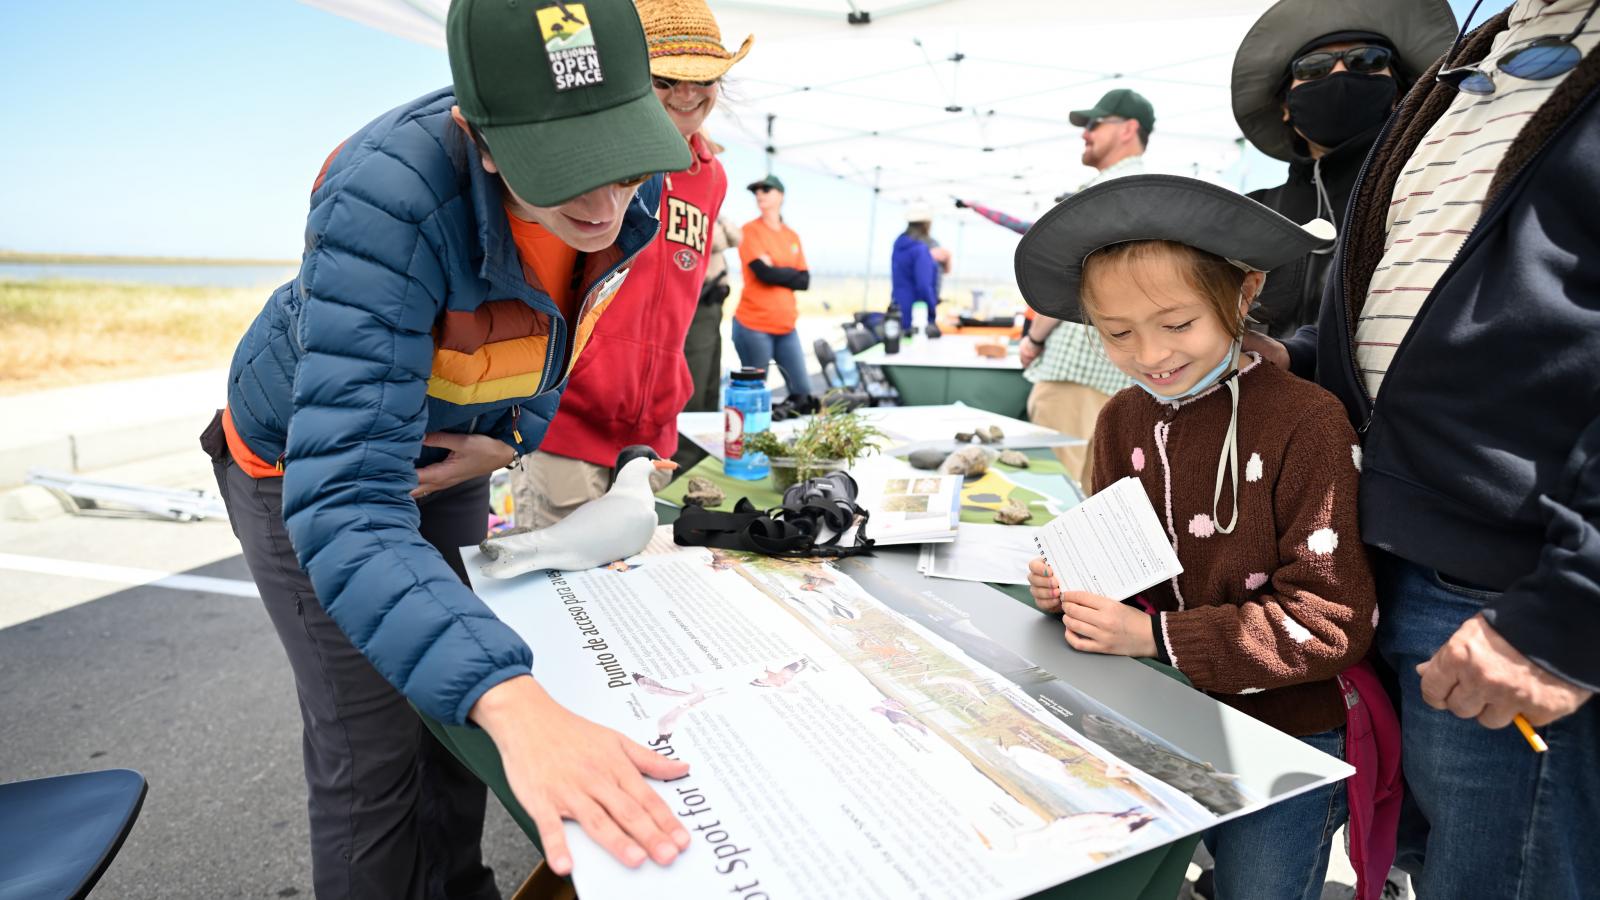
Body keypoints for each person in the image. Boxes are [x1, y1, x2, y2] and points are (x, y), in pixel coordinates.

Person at [200, 1, 703, 895]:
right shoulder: (384, 198)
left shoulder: (640, 174)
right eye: (566, 171)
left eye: (621, 159)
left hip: (451, 450)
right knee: (377, 746)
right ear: (481, 135)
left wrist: (508, 443)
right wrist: (517, 703)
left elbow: (557, 339)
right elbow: (348, 504)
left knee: (459, 733)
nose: (603, 203)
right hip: (304, 469)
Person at [1249, 2, 1600, 896]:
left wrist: (1570, 616)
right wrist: (1289, 361)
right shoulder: (1478, 57)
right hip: (1393, 556)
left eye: (1359, 62)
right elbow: (1422, 298)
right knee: (1426, 864)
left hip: (1512, 588)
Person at [1015, 175, 1375, 900]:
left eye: (1177, 324)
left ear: (1243, 294)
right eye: (1117, 333)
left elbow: (1329, 622)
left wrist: (1156, 639)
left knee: (1258, 889)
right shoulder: (1122, 418)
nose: (1150, 354)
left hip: (1288, 733)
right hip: (1164, 717)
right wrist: (1071, 585)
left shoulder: (1308, 421)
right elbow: (1121, 563)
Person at [510, 0, 751, 529]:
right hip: (566, 424)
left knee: (628, 583)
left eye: (704, 79)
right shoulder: (590, 153)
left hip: (651, 434)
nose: (687, 95)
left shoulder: (710, 176)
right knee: (561, 595)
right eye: (665, 80)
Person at [1231, 0, 1455, 337]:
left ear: (1398, 94)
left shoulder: (1437, 193)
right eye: (1313, 68)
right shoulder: (1248, 212)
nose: (1339, 74)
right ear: (1285, 107)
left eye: (1367, 60)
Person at [1017, 88, 1154, 488]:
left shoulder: (1100, 192)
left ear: (1129, 129)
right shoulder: (1151, 191)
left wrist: (1035, 339)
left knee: (1049, 491)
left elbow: (1065, 278)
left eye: (1095, 124)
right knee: (1091, 497)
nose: (1085, 134)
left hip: (1074, 371)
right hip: (1119, 373)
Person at [734, 173, 815, 405]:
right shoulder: (749, 231)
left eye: (766, 190)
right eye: (756, 191)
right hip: (753, 326)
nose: (760, 194)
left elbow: (804, 280)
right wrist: (789, 272)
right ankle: (750, 440)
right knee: (755, 396)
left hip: (786, 327)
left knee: (803, 394)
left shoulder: (792, 236)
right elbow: (764, 273)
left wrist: (777, 269)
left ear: (781, 195)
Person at [683, 211, 741, 413]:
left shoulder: (713, 216)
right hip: (699, 303)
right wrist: (716, 224)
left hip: (714, 304)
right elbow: (712, 241)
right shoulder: (697, 213)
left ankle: (705, 431)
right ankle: (688, 441)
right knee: (697, 372)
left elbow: (737, 237)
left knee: (712, 374)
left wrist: (718, 220)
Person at [890, 204, 940, 332]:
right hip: (917, 316)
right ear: (926, 225)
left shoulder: (899, 246)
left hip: (898, 309)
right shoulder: (920, 250)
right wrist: (932, 309)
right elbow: (923, 285)